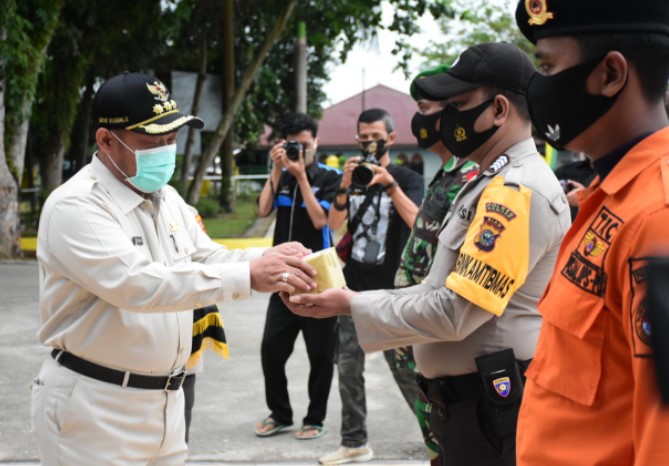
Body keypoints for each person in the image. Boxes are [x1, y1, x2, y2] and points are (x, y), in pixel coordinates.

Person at [284, 42, 571, 466]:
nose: (447, 117)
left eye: (458, 104)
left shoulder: (516, 193)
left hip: (490, 412)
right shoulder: (487, 180)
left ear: (498, 109)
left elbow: (455, 312)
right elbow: (436, 288)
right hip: (468, 408)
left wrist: (351, 305)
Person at [30, 72, 317, 466]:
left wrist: (268, 258)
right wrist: (248, 276)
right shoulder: (76, 206)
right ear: (106, 141)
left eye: (171, 140)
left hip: (165, 403)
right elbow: (137, 285)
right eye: (151, 142)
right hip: (95, 405)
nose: (165, 150)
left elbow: (204, 256)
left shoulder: (166, 197)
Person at [512, 2, 669, 464]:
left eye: (547, 66)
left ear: (611, 74)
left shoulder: (656, 216)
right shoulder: (611, 193)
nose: (536, 86)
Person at [322, 108, 424, 464]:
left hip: (394, 292)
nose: (368, 142)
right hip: (354, 290)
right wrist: (346, 185)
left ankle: (440, 440)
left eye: (374, 136)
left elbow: (417, 221)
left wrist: (389, 185)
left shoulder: (406, 177)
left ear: (391, 139)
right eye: (362, 137)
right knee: (348, 368)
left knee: (408, 372)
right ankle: (354, 442)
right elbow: (334, 225)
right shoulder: (351, 177)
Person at [392, 64, 480, 465]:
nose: (418, 119)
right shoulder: (444, 173)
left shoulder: (471, 176)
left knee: (445, 423)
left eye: (424, 108)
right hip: (413, 322)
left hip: (436, 322)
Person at [254, 113, 342, 440]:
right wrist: (278, 170)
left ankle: (314, 418)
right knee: (271, 349)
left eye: (305, 145)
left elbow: (323, 222)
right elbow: (262, 211)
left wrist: (302, 177)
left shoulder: (329, 178)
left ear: (316, 142)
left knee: (320, 354)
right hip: (283, 277)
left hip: (318, 276)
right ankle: (280, 413)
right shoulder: (283, 175)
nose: (299, 151)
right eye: (293, 145)